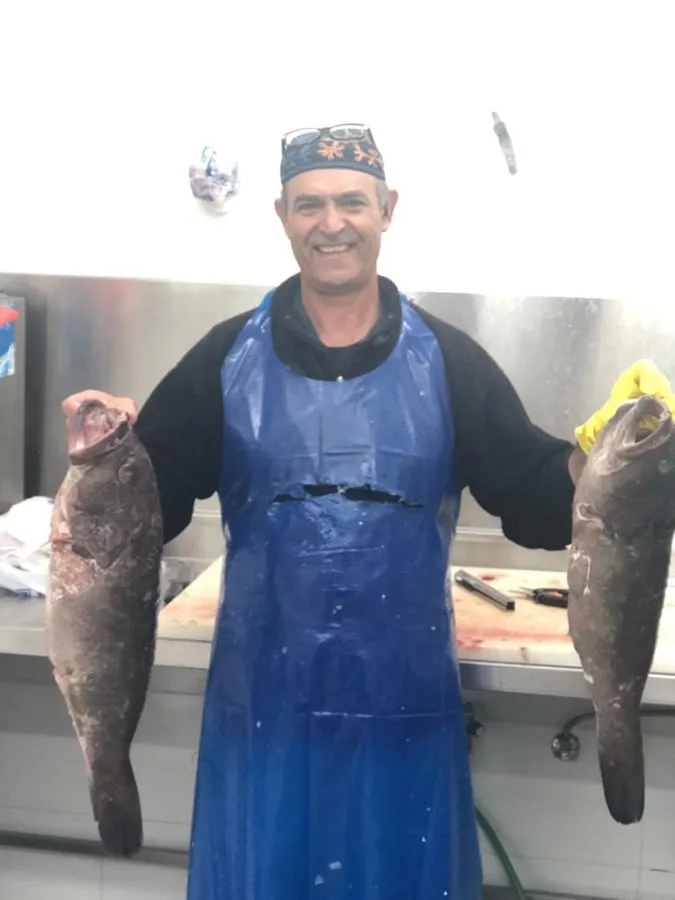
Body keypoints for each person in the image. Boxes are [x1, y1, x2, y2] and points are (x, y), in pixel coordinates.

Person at [63, 124, 675, 900]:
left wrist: (608, 456)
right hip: (260, 721)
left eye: (351, 202)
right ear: (281, 216)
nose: (331, 223)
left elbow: (534, 499)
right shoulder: (223, 358)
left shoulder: (449, 360)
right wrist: (106, 451)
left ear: (387, 209)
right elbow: (150, 503)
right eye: (308, 204)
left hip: (404, 716)